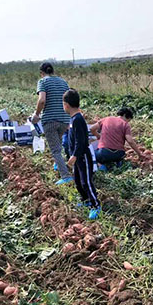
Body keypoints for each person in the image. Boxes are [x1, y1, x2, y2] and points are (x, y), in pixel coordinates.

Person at [31, 62, 73, 185]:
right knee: (58, 142)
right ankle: (57, 164)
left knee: (55, 150)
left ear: (42, 73)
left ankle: (65, 176)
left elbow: (42, 100)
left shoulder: (43, 81)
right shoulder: (63, 82)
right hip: (64, 119)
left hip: (50, 120)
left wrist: (37, 114)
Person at [62, 89, 100, 220]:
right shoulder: (74, 118)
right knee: (78, 181)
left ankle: (95, 205)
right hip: (77, 156)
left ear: (66, 104)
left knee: (86, 181)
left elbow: (81, 141)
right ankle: (85, 200)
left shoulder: (78, 119)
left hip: (83, 155)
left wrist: (74, 155)